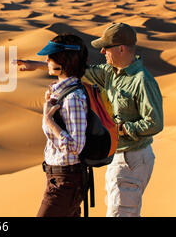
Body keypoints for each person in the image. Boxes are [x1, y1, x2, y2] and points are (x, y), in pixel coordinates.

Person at [15, 23, 164, 217]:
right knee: (117, 210)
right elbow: (79, 70)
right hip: (117, 156)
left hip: (133, 158)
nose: (102, 51)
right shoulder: (111, 72)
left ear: (121, 48)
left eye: (107, 47)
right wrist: (38, 66)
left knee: (121, 213)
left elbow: (155, 122)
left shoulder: (142, 81)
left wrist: (122, 129)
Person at [34, 33, 89, 217]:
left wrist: (51, 123)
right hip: (57, 179)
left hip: (67, 181)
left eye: (52, 56)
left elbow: (75, 146)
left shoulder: (73, 98)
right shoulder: (60, 92)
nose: (47, 59)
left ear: (64, 61)